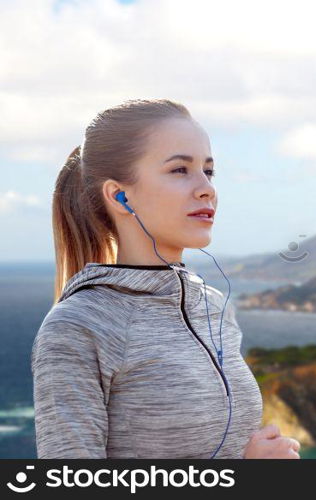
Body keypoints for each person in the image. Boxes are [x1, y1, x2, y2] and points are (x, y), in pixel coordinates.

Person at [31, 98, 300, 459]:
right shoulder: (79, 325)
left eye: (209, 171)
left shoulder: (214, 306)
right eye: (179, 170)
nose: (206, 188)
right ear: (120, 196)